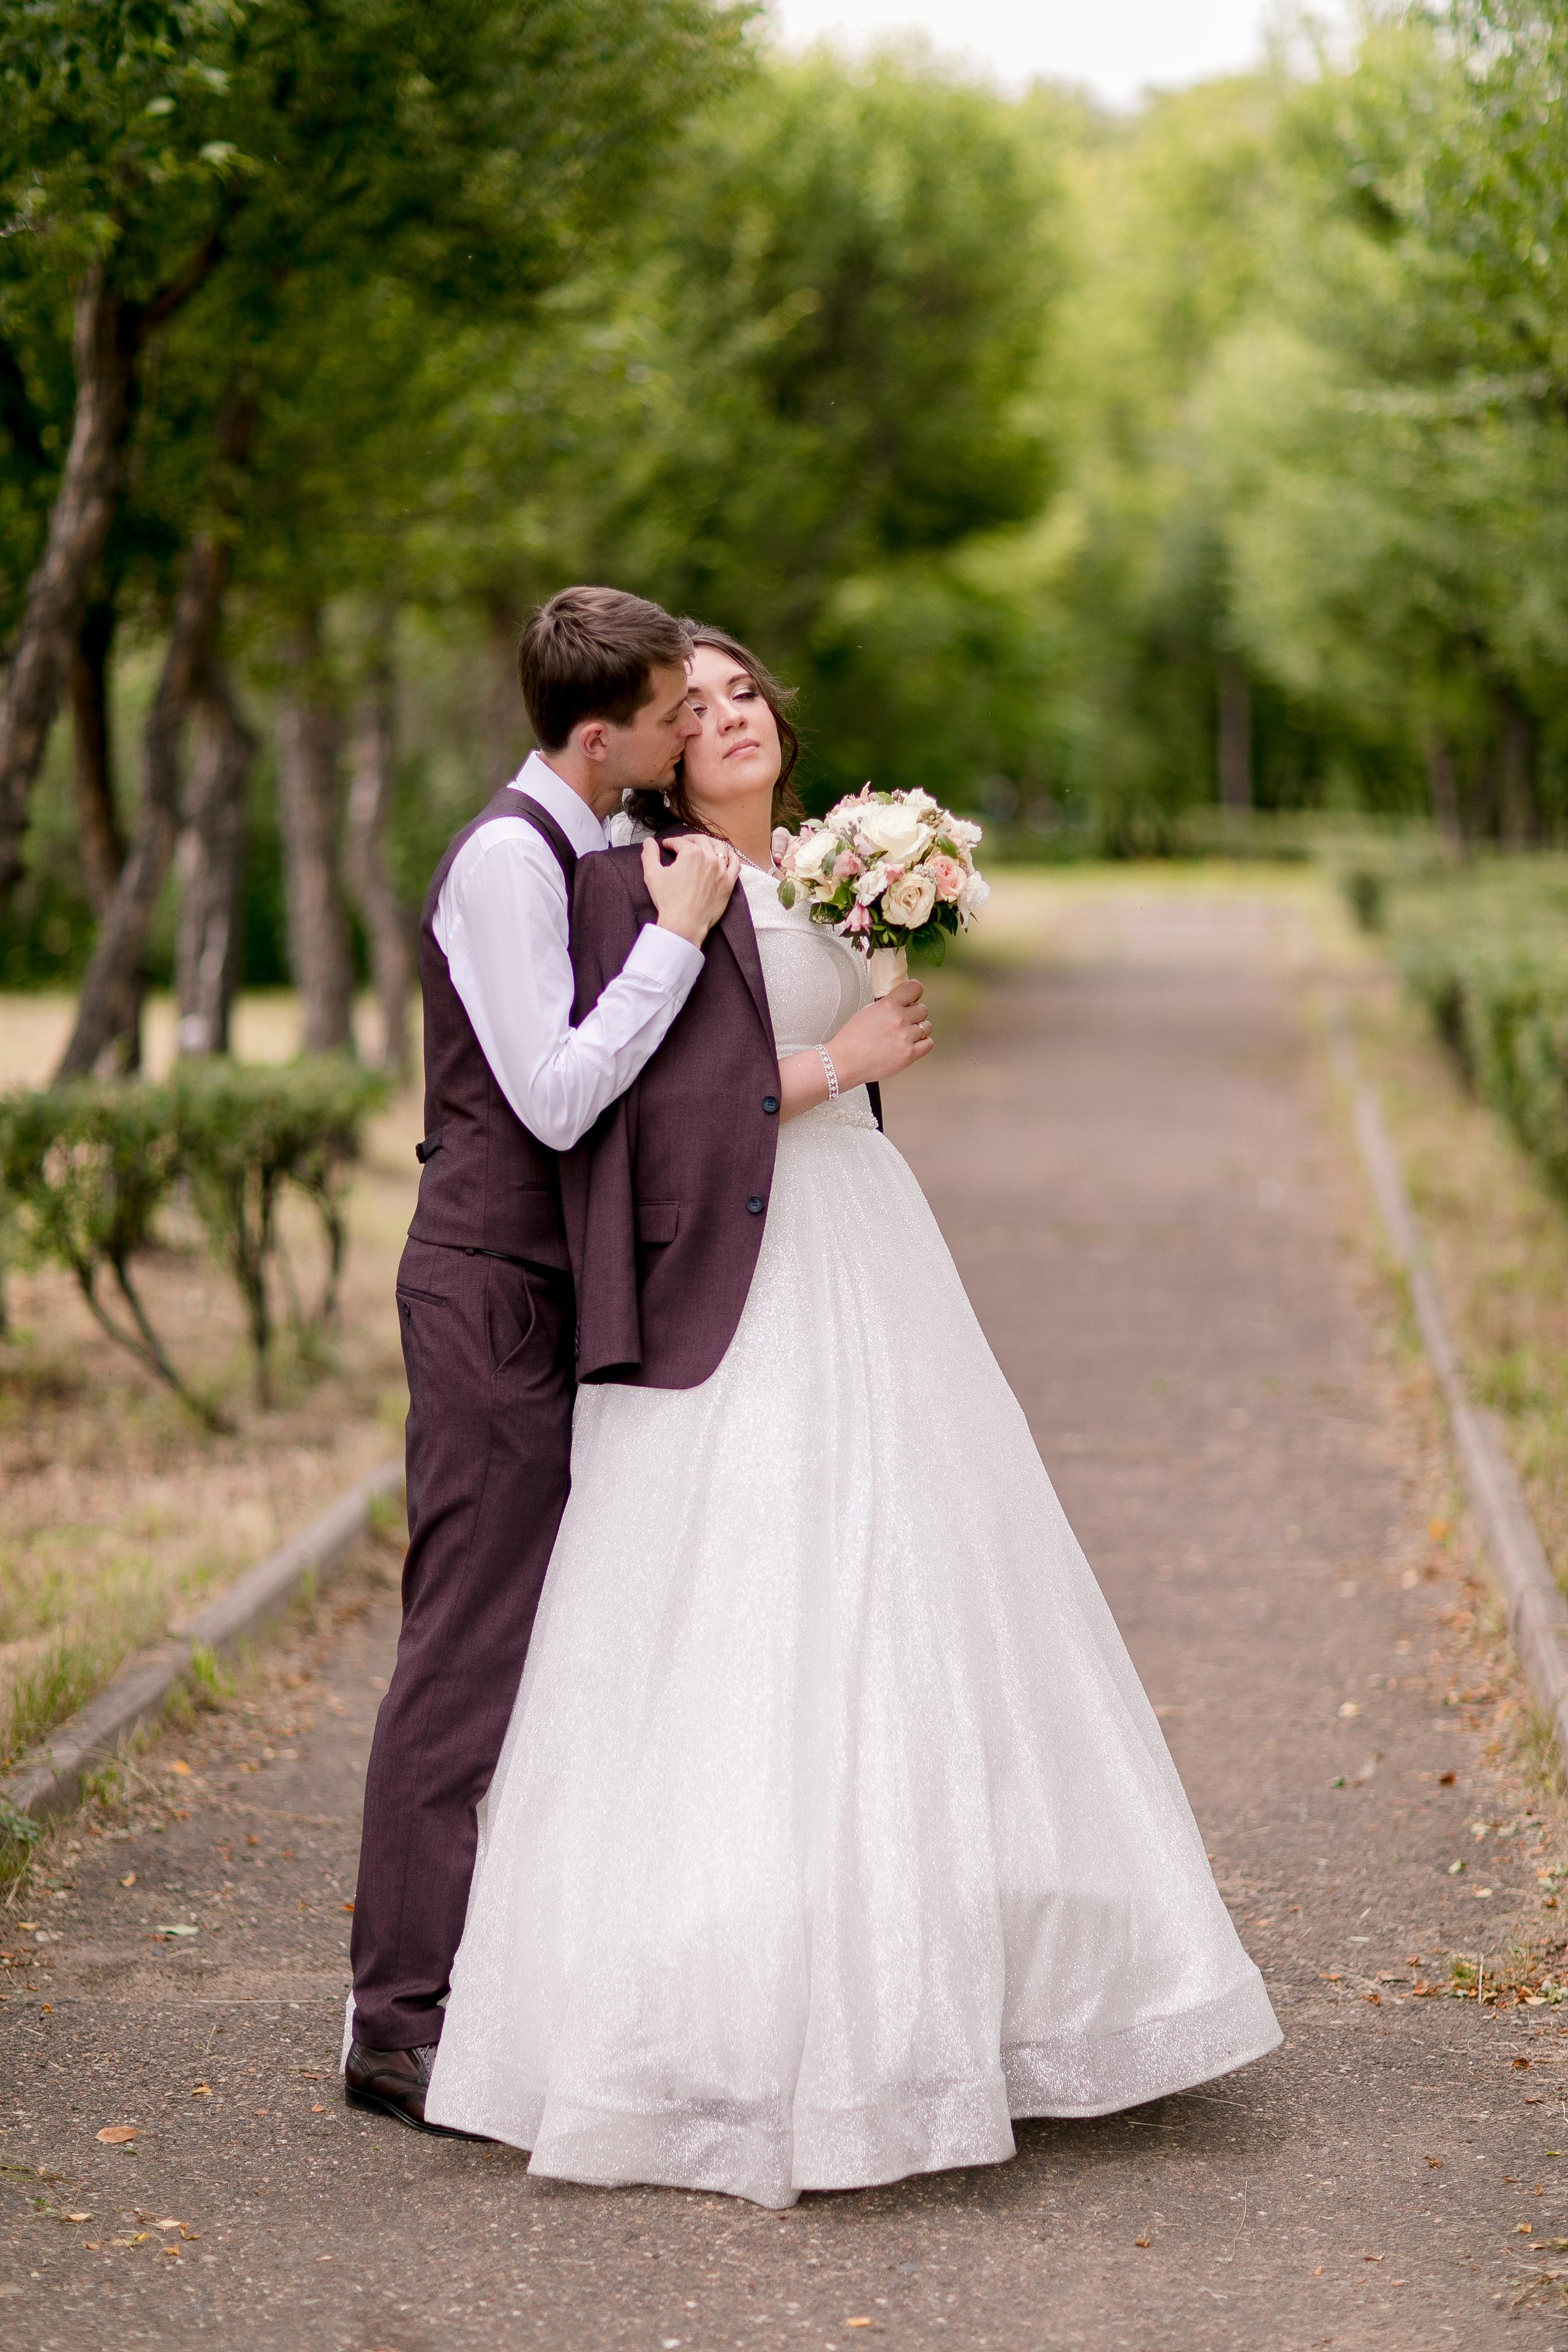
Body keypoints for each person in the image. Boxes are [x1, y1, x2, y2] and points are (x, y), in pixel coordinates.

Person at [423, 627, 1282, 2203]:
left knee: (920, 1579)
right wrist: (840, 1057)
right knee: (742, 1594)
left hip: (864, 1245)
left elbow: (847, 1049)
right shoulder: (652, 884)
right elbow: (663, 1116)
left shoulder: (824, 868)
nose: (729, 716)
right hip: (734, 1281)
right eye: (694, 708)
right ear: (660, 752)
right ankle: (717, 2004)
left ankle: (970, 1968)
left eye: (744, 691)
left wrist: (894, 935)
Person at [345, 589, 740, 2130]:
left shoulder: (585, 844)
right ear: (600, 735)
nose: (682, 737)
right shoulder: (511, 865)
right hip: (490, 1292)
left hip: (558, 1294)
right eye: (663, 717)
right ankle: (396, 2020)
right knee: (463, 1656)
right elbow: (558, 1097)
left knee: (539, 1655)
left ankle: (480, 1987)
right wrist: (673, 948)